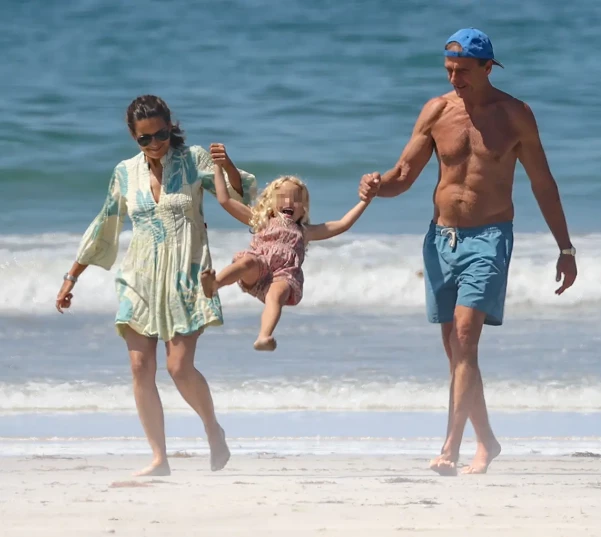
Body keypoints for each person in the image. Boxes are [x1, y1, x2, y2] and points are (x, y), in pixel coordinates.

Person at [358, 28, 577, 475]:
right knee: (456, 350)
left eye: (463, 71)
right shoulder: (436, 111)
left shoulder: (515, 115)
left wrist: (566, 248)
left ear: (487, 67)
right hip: (441, 239)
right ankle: (488, 442)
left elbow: (543, 184)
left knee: (464, 337)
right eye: (449, 71)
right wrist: (377, 187)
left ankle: (449, 447)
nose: (454, 79)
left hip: (490, 236)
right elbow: (403, 175)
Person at [55, 95, 257, 477]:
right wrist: (71, 277)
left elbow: (240, 192)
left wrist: (226, 164)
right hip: (140, 278)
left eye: (161, 134)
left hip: (187, 274)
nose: (154, 144)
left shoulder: (193, 159)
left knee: (179, 367)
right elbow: (104, 225)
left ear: (171, 127)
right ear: (134, 137)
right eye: (144, 138)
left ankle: (213, 430)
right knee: (139, 367)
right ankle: (159, 459)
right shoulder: (124, 172)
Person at [201, 166, 376, 351]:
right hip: (259, 267)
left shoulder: (305, 231)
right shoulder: (260, 221)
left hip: (283, 276)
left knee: (275, 295)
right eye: (283, 197)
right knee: (246, 262)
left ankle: (263, 336)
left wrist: (365, 201)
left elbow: (342, 224)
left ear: (304, 209)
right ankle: (214, 285)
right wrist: (219, 169)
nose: (289, 202)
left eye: (297, 199)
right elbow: (225, 200)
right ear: (270, 202)